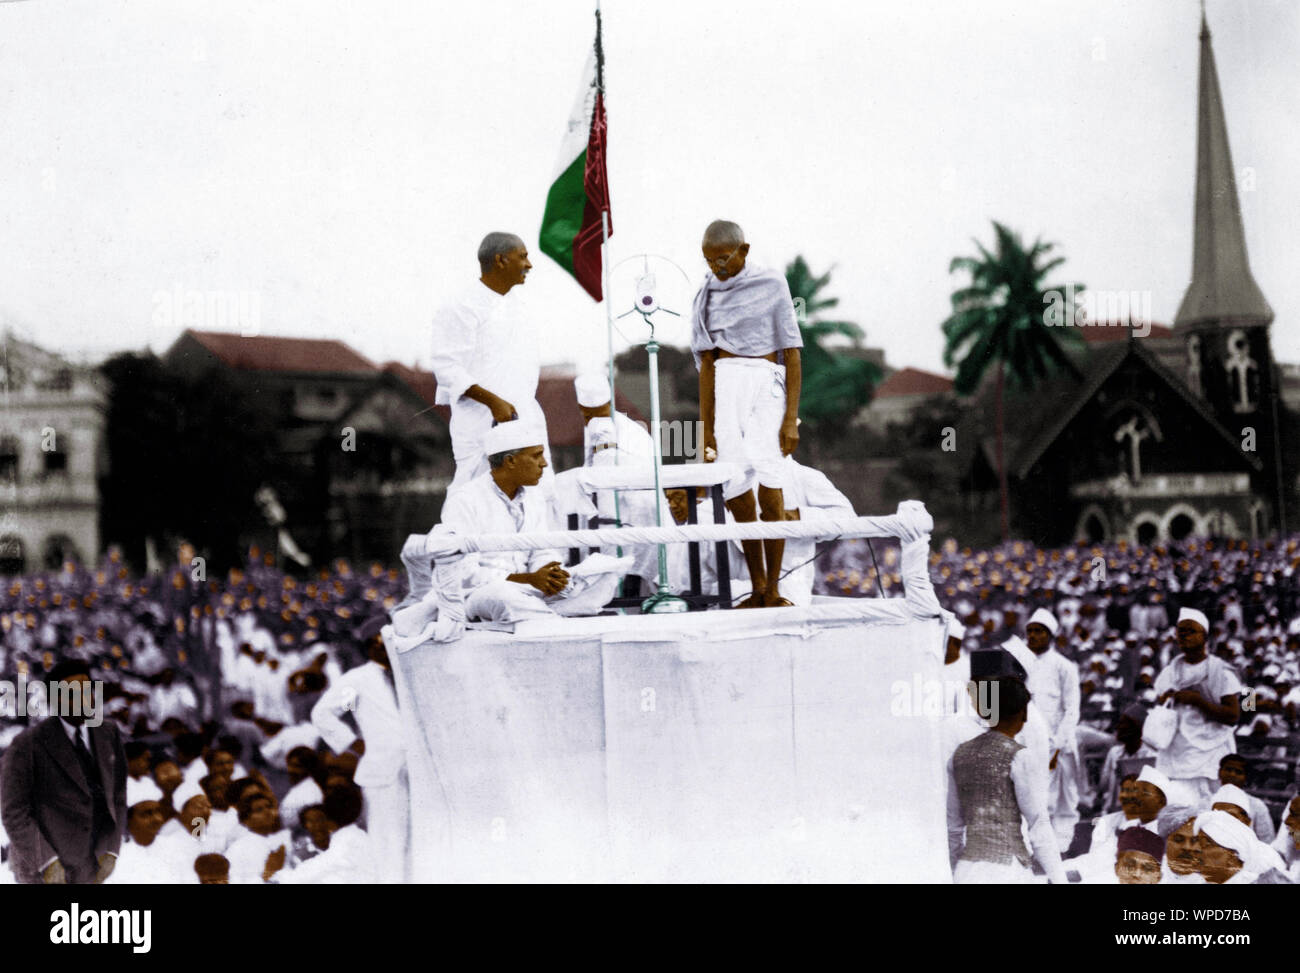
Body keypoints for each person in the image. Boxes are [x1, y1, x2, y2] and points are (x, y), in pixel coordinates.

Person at [692, 219, 802, 608]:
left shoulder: (772, 284)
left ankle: (775, 587)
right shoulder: (706, 293)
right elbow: (706, 364)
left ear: (744, 250)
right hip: (726, 383)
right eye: (708, 261)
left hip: (766, 381)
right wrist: (705, 430)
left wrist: (790, 417)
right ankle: (757, 586)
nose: (716, 268)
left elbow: (791, 351)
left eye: (722, 259)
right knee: (735, 486)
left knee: (771, 480)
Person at [438, 421, 624, 623]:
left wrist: (552, 574)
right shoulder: (465, 500)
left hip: (529, 587)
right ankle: (551, 619)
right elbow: (464, 574)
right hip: (481, 593)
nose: (544, 463)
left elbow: (542, 550)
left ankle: (542, 615)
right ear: (510, 461)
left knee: (605, 573)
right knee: (504, 598)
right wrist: (528, 579)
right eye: (536, 456)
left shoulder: (534, 496)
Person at [429, 231, 550, 492]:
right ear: (501, 260)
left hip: (525, 422)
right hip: (481, 424)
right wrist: (493, 401)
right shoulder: (461, 305)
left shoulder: (521, 308)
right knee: (475, 498)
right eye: (523, 257)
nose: (529, 265)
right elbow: (447, 367)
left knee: (536, 501)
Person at [0, 659, 127, 884]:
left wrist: (111, 849)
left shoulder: (109, 733)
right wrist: (47, 862)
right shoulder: (27, 744)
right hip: (42, 870)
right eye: (71, 693)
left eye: (87, 689)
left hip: (90, 867)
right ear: (54, 700)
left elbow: (117, 796)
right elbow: (14, 812)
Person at [311, 626, 408, 883]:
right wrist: (352, 742)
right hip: (382, 772)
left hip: (416, 771)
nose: (386, 646)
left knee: (416, 838)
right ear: (370, 647)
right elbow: (322, 713)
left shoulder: (408, 672)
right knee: (387, 841)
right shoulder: (358, 680)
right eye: (379, 642)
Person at [947, 676, 1066, 884]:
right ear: (1023, 713)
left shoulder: (960, 755)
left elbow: (953, 827)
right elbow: (1039, 825)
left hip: (966, 870)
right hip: (1007, 871)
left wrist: (956, 869)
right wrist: (1060, 880)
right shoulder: (1019, 756)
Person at [1152, 607, 1242, 804]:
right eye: (1180, 632)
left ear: (1205, 637)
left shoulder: (1221, 671)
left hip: (1211, 751)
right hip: (1177, 750)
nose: (1184, 636)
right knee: (1178, 808)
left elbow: (1233, 715)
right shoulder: (1170, 672)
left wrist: (1197, 701)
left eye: (1191, 631)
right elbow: (1159, 706)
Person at [1021, 608, 1081, 851]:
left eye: (1039, 632)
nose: (1033, 636)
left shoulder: (1064, 666)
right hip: (1030, 742)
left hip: (1059, 743)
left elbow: (1071, 709)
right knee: (1036, 798)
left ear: (1051, 636)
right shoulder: (1021, 664)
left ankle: (1061, 850)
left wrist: (1058, 742)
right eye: (1030, 631)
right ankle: (1036, 849)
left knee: (1064, 801)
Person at [276, 783, 374, 884]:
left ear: (327, 816)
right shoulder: (355, 835)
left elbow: (323, 865)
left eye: (319, 819)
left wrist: (282, 879)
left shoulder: (347, 837)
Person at [1096, 703, 1156, 814]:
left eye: (1124, 724)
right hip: (1113, 812)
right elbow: (1103, 786)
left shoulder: (1150, 756)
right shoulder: (1114, 753)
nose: (1118, 727)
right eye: (1120, 723)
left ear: (1137, 729)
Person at [1216, 754, 1276, 843]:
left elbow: (1267, 842)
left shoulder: (1256, 806)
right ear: (1219, 773)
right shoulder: (1206, 802)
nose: (1232, 774)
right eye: (1228, 770)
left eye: (1238, 772)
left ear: (1245, 778)